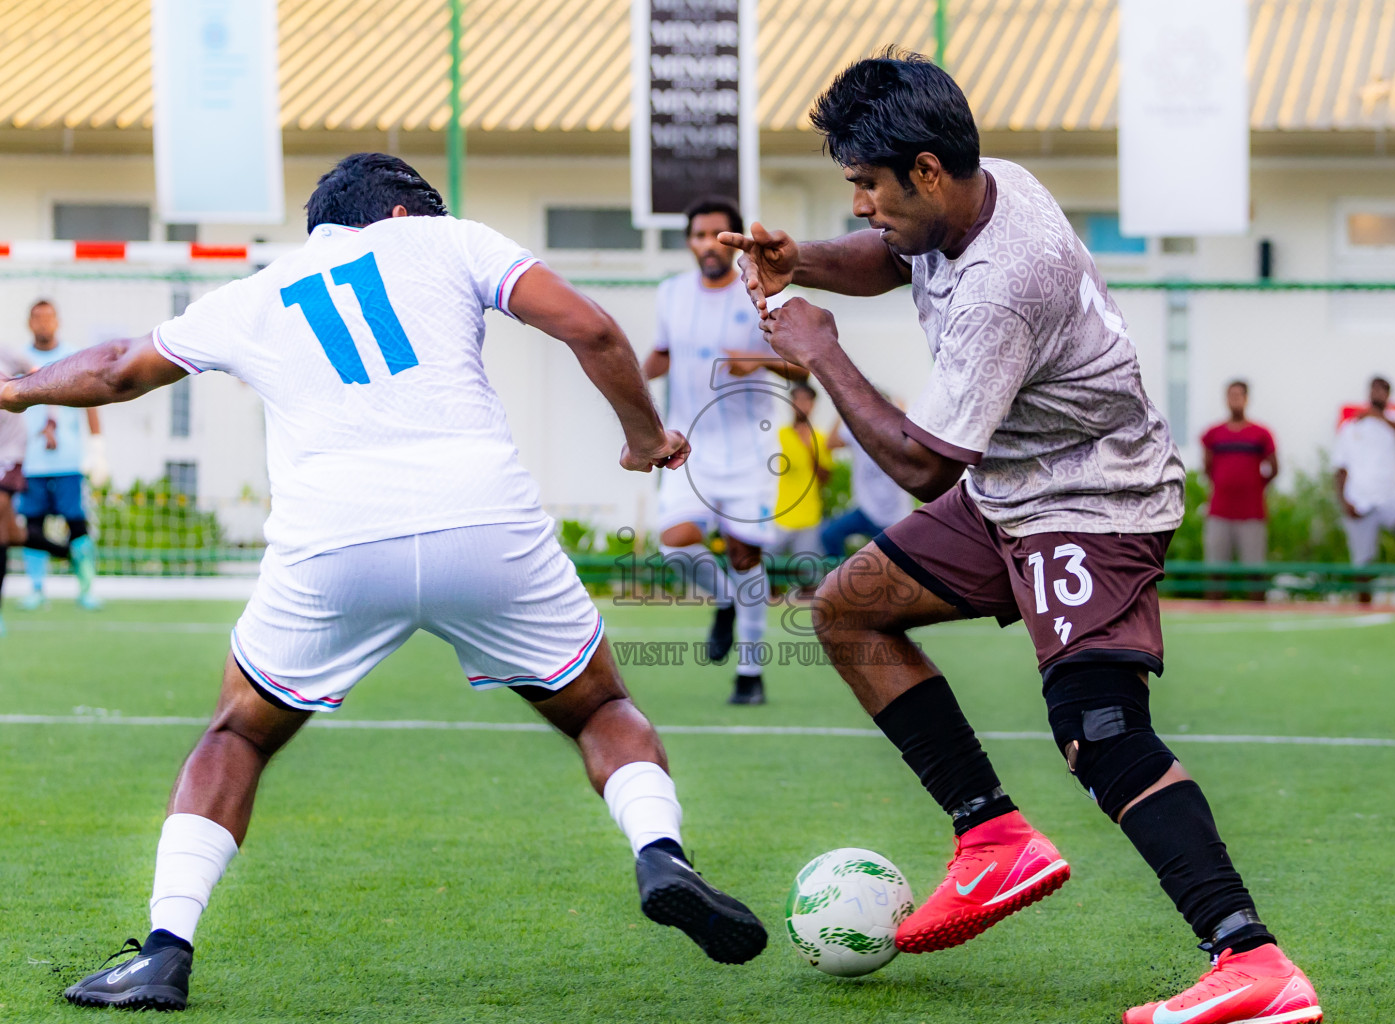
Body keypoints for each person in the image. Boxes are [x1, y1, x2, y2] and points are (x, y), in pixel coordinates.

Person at [1, 153, 766, 1011]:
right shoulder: (450, 240)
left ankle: (167, 950)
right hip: (482, 517)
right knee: (598, 708)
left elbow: (113, 368)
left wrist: (17, 391)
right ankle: (661, 853)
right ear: (405, 214)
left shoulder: (262, 289)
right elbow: (590, 329)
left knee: (237, 737)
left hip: (332, 537)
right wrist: (642, 436)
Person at [723, 52, 1320, 1024]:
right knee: (851, 611)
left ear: (925, 170)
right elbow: (896, 252)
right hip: (1015, 491)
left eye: (868, 185)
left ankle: (1252, 961)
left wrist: (820, 348)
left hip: (1094, 500)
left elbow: (924, 465)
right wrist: (805, 262)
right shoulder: (975, 188)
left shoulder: (1009, 280)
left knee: (1100, 729)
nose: (863, 205)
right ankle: (993, 836)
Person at [642, 196, 805, 706]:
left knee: (743, 554)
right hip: (689, 445)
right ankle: (727, 599)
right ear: (688, 242)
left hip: (751, 449)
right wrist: (617, 379)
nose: (705, 244)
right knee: (675, 541)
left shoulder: (760, 293)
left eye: (716, 234)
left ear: (734, 239)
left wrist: (757, 361)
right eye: (696, 235)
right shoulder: (670, 295)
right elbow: (661, 356)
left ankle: (750, 673)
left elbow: (803, 366)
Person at [17, 300, 104, 610]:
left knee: (77, 522)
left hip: (68, 460)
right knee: (32, 526)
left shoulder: (73, 356)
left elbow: (91, 401)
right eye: (37, 318)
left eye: (48, 317)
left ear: (58, 321)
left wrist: (98, 449)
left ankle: (86, 588)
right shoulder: (18, 359)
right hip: (30, 462)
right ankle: (37, 589)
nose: (43, 323)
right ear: (29, 323)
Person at [1332, 377, 1395, 586]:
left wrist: (1379, 417)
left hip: (1391, 496)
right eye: (1375, 389)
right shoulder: (1351, 426)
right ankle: (1363, 606)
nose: (1378, 394)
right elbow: (1340, 468)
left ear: (1389, 395)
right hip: (1359, 498)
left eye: (1383, 390)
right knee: (1363, 565)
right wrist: (1344, 501)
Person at [1200, 380, 1277, 571]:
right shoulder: (1213, 434)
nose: (1235, 400)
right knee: (1215, 571)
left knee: (1255, 572)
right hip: (1220, 511)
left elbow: (1274, 467)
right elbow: (1207, 466)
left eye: (1239, 395)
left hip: (1251, 512)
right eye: (1231, 395)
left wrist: (1255, 485)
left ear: (1246, 398)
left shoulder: (1260, 434)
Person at [820, 418, 913, 557]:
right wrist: (841, 410)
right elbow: (830, 444)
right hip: (866, 511)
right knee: (829, 535)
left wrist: (901, 417)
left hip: (894, 519)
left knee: (896, 563)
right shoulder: (861, 432)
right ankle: (839, 576)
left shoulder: (899, 437)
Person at [773, 381, 836, 566]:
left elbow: (825, 478)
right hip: (777, 516)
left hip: (809, 519)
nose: (802, 405)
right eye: (798, 400)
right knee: (764, 572)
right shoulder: (778, 436)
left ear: (813, 405)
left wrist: (809, 449)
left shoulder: (820, 438)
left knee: (809, 578)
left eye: (807, 400)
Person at [0, 346, 36, 636]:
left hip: (10, 450)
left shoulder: (8, 354)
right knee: (9, 534)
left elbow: (39, 375)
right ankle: (67, 550)